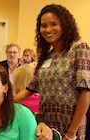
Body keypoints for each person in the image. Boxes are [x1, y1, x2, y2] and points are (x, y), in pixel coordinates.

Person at [14, 4, 90, 140]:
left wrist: (71, 133)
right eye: (44, 26)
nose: (48, 29)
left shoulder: (79, 49)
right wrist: (4, 102)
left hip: (71, 127)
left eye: (54, 24)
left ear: (65, 25)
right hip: (46, 127)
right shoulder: (46, 56)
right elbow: (30, 89)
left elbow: (86, 92)